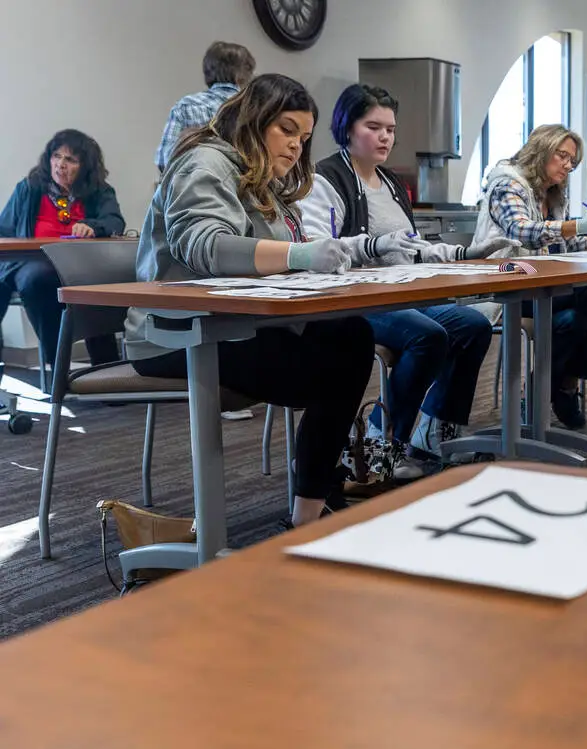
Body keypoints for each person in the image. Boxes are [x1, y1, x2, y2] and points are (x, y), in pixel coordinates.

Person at [126, 74, 419, 527]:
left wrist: (358, 251)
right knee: (341, 357)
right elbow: (206, 246)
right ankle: (312, 503)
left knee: (349, 335)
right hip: (175, 334)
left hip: (232, 325)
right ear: (253, 120)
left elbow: (295, 248)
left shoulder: (261, 178)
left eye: (303, 138)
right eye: (286, 130)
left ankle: (311, 505)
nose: (296, 147)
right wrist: (298, 254)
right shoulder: (205, 164)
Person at [299, 84, 513, 475]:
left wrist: (466, 253)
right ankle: (381, 444)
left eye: (390, 129)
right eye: (373, 126)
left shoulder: (393, 183)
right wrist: (375, 245)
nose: (385, 137)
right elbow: (316, 248)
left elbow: (412, 248)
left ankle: (434, 434)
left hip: (401, 293)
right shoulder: (325, 180)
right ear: (347, 128)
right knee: (427, 336)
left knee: (474, 325)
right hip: (354, 297)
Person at [472, 123, 587, 430]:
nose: (568, 165)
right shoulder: (507, 184)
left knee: (574, 319)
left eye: (572, 160)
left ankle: (544, 392)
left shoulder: (553, 195)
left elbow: (564, 243)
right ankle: (564, 391)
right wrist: (579, 226)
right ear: (541, 150)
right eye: (562, 156)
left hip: (536, 285)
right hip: (501, 282)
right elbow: (523, 232)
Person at [0, 129, 125, 371]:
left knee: (94, 283)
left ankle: (106, 370)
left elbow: (114, 221)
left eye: (71, 160)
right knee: (37, 278)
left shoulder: (99, 190)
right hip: (31, 265)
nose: (61, 165)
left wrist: (92, 226)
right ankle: (57, 362)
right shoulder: (28, 188)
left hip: (80, 265)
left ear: (85, 166)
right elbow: (4, 229)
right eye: (56, 156)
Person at [155, 41, 255, 173]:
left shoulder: (186, 106)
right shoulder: (256, 111)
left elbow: (164, 161)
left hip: (191, 188)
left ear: (208, 72)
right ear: (242, 76)